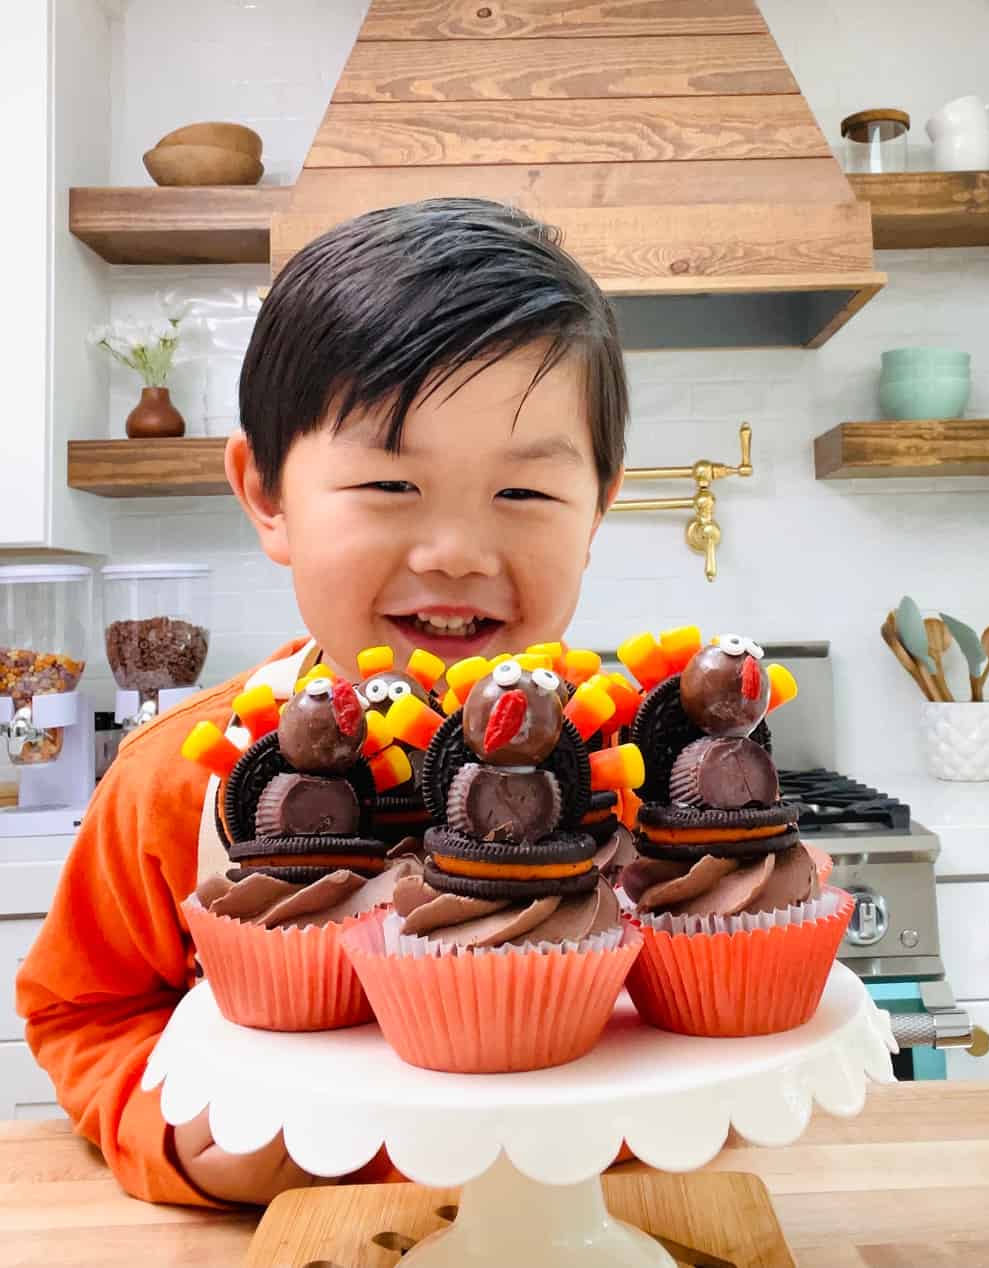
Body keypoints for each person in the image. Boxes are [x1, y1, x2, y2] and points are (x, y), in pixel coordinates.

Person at [16, 197, 629, 1206]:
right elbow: (83, 1009)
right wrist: (180, 1140)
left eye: (523, 495)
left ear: (598, 507)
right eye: (391, 485)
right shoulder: (185, 773)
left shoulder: (631, 773)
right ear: (266, 493)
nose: (457, 553)